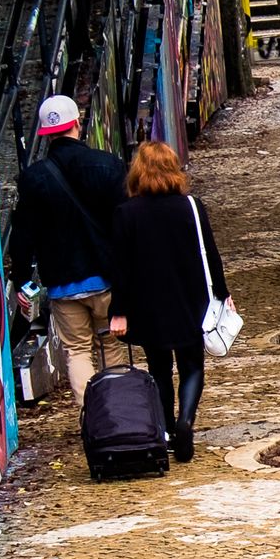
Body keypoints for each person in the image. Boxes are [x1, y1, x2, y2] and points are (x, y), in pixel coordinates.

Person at [108, 142, 231, 463]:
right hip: (190, 300)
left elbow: (119, 267)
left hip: (148, 304)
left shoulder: (126, 213)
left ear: (138, 172)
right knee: (192, 366)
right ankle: (186, 421)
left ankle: (164, 430)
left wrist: (118, 311)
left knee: (159, 368)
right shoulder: (191, 206)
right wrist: (222, 292)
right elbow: (211, 254)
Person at [7, 95, 126, 404]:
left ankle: (93, 417)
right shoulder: (108, 165)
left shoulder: (33, 179)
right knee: (110, 345)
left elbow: (22, 236)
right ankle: (119, 414)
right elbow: (125, 222)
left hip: (63, 284)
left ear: (45, 133)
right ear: (77, 123)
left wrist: (22, 279)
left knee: (77, 352)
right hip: (108, 278)